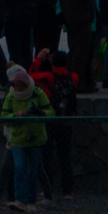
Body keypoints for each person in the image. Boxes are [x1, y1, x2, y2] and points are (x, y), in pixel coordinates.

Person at [0, 65, 52, 211]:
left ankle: (30, 200)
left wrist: (38, 113)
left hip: (34, 138)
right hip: (17, 138)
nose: (18, 89)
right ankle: (19, 199)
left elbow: (50, 112)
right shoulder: (11, 97)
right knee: (20, 167)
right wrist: (16, 116)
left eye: (20, 86)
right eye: (15, 86)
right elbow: (4, 117)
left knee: (32, 170)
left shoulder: (38, 93)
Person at [37, 50, 81, 199]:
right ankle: (68, 191)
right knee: (65, 157)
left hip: (51, 120)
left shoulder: (49, 76)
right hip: (67, 120)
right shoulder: (73, 77)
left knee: (47, 156)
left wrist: (38, 59)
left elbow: (30, 76)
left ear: (53, 62)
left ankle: (46, 189)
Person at [56, 0, 96, 91]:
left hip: (71, 19)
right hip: (80, 19)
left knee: (74, 52)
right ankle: (78, 84)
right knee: (80, 53)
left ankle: (74, 82)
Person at [1, 0, 41, 79]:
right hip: (28, 20)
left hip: (13, 19)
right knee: (26, 50)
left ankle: (15, 78)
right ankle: (27, 76)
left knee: (14, 51)